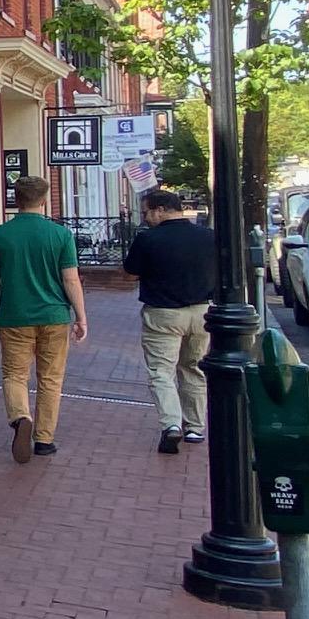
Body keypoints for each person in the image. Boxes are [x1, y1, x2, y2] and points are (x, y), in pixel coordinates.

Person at [0, 175, 88, 463]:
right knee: (50, 378)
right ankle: (44, 439)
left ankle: (20, 416)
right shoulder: (60, 235)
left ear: (16, 200)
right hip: (54, 315)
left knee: (15, 374)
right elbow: (71, 279)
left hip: (15, 315)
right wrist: (81, 317)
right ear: (43, 200)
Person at [123, 188, 217, 454]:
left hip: (163, 313)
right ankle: (195, 428)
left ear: (160, 209)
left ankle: (171, 425)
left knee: (161, 371)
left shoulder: (148, 239)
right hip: (201, 312)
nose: (145, 218)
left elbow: (130, 273)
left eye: (147, 212)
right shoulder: (207, 236)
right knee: (193, 368)